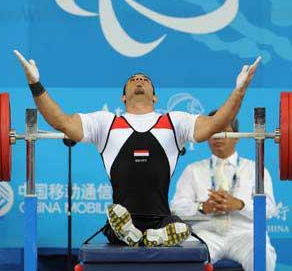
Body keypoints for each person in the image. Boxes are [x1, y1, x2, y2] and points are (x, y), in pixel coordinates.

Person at [14, 49, 261, 248]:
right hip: (122, 219)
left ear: (155, 97)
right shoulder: (105, 123)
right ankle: (130, 232)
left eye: (145, 80)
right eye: (133, 80)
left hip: (163, 220)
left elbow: (217, 123)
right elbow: (62, 122)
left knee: (176, 226)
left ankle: (153, 235)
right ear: (123, 97)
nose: (139, 81)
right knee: (118, 221)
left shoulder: (176, 123)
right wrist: (35, 84)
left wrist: (240, 90)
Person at [171, 111, 277, 270]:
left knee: (263, 255)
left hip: (245, 235)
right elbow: (176, 209)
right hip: (206, 234)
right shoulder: (193, 170)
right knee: (185, 257)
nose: (218, 136)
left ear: (238, 136)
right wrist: (202, 208)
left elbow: (269, 210)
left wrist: (239, 205)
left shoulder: (254, 169)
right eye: (213, 131)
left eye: (223, 131)